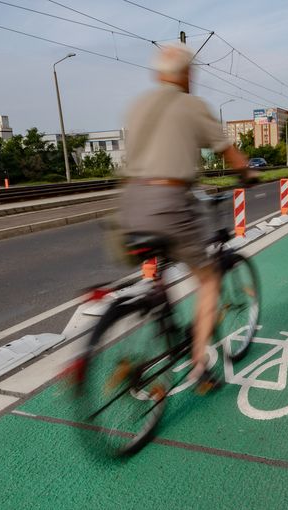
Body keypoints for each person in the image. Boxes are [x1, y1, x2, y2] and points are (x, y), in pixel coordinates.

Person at [119, 43, 251, 392]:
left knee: (160, 273)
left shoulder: (138, 105)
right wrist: (247, 173)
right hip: (170, 202)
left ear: (159, 74)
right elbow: (228, 150)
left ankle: (158, 313)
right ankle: (198, 368)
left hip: (131, 204)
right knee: (208, 281)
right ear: (187, 74)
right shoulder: (191, 105)